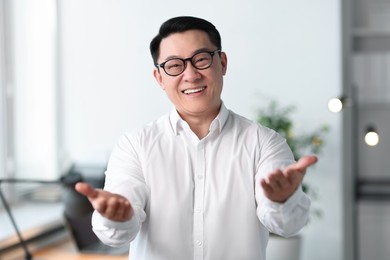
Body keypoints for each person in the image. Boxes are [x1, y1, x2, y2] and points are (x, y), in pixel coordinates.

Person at [75, 16, 318, 260]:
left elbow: (288, 225)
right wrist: (117, 217)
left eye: (201, 59)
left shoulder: (264, 143)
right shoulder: (135, 146)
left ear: (222, 63)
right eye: (174, 65)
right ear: (159, 78)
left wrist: (282, 200)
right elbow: (117, 233)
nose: (191, 75)